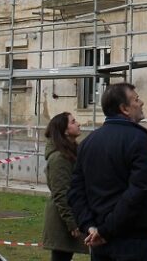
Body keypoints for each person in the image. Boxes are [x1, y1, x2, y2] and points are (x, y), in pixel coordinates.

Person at [68, 83, 147, 261]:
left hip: (101, 239)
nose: (141, 103)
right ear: (124, 108)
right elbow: (139, 191)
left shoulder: (88, 142)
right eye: (136, 99)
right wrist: (100, 230)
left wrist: (92, 227)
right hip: (132, 240)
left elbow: (75, 193)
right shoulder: (138, 140)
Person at [42, 112, 88, 261]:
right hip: (62, 220)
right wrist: (72, 223)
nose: (78, 124)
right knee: (61, 257)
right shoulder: (59, 158)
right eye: (73, 122)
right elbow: (61, 192)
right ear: (65, 130)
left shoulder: (71, 152)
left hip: (71, 215)